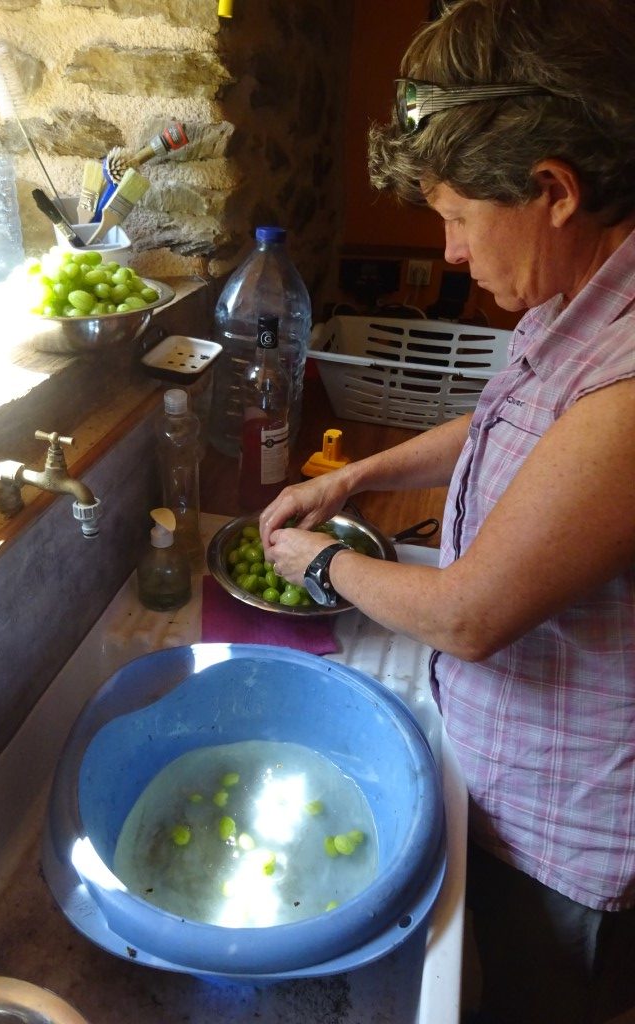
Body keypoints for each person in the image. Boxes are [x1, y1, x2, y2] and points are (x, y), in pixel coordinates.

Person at [259, 2, 635, 1022]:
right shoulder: (579, 294)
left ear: (553, 191)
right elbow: (504, 419)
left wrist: (320, 563)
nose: (452, 252)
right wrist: (353, 479)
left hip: (565, 832)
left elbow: (471, 615)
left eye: (458, 217)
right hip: (504, 770)